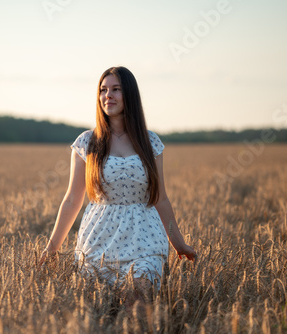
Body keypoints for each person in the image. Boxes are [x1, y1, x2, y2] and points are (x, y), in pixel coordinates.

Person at [39, 66, 196, 303]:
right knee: (99, 312)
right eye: (103, 90)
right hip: (99, 241)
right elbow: (72, 200)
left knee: (138, 302)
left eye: (116, 89)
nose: (107, 95)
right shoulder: (87, 142)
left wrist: (179, 243)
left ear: (130, 95)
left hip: (145, 239)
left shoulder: (150, 141)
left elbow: (161, 198)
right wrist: (51, 249)